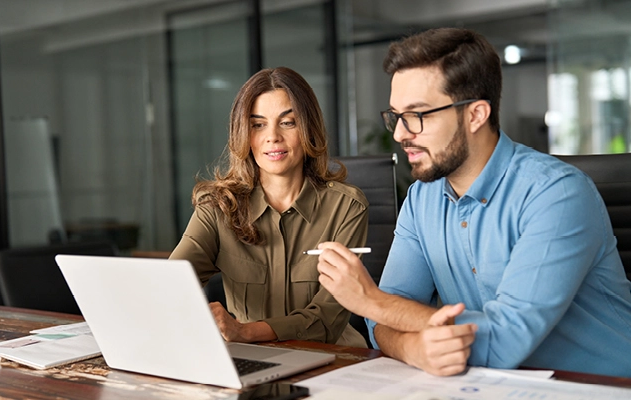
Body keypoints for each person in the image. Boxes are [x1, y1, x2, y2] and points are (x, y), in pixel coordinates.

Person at [315, 28, 631, 377]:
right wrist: (412, 348)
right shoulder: (422, 199)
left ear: (476, 115)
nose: (400, 134)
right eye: (395, 116)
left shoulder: (557, 194)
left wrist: (370, 300)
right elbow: (383, 324)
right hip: (489, 387)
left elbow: (502, 342)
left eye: (418, 115)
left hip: (601, 387)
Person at [169, 67, 368, 348]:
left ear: (308, 128)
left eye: (288, 122)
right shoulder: (217, 207)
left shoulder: (346, 207)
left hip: (332, 357)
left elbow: (327, 316)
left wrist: (246, 332)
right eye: (258, 124)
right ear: (243, 133)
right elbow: (172, 282)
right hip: (249, 358)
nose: (272, 137)